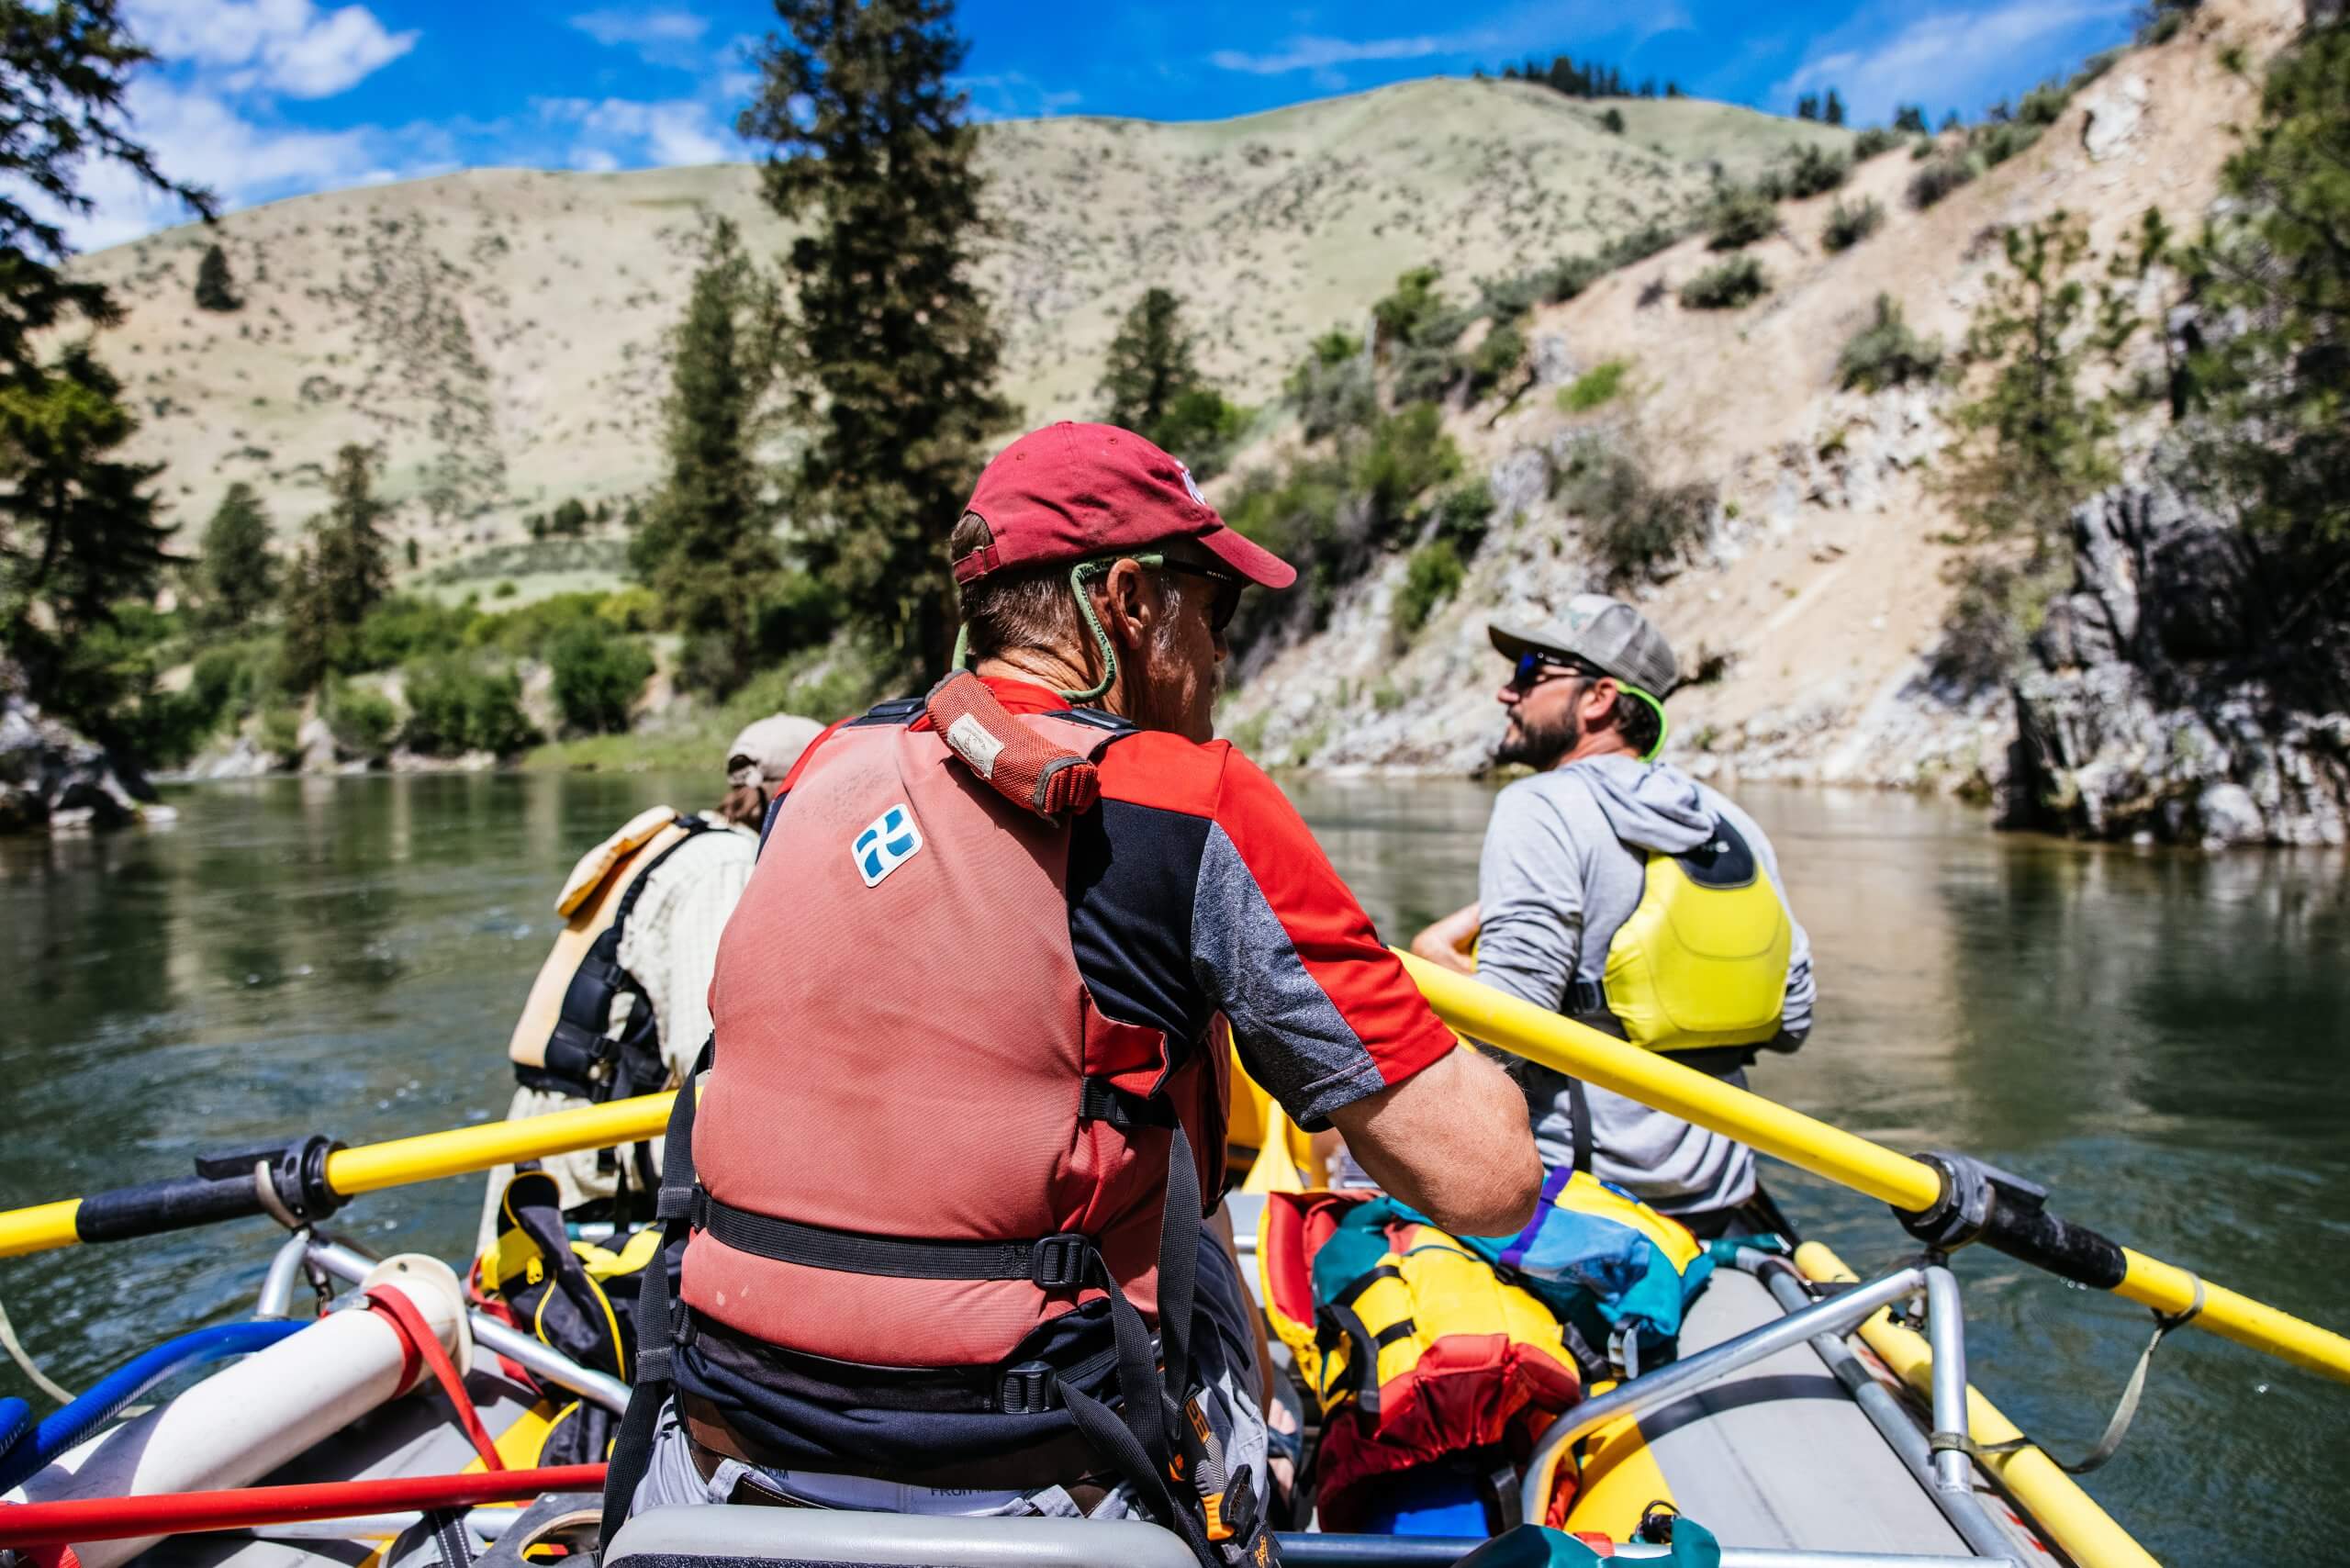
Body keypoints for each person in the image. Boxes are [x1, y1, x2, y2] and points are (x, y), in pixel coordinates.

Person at [605, 422, 1540, 1565]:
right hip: (1037, 1476)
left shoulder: (821, 769)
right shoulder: (1195, 804)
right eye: (1219, 607)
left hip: (715, 1442)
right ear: (1131, 601)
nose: (1222, 649)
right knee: (1229, 1304)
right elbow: (1487, 1183)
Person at [1411, 596, 1814, 1236]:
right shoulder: (1732, 821)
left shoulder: (1537, 806)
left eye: (1528, 672)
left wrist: (1436, 964)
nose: (1505, 693)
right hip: (1718, 1189)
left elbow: (1507, 1028)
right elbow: (1792, 1019)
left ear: (1598, 698)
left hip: (1583, 1200)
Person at [480, 717, 820, 1248]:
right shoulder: (723, 867)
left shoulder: (684, 841)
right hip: (583, 1165)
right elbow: (703, 1052)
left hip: (547, 1141)